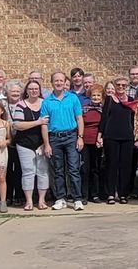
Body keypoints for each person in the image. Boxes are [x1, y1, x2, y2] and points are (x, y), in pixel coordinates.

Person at [40, 72, 85, 211]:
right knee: (58, 170)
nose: (58, 83)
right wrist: (46, 144)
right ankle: (61, 198)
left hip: (71, 136)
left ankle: (77, 199)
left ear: (65, 82)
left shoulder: (72, 98)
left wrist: (80, 137)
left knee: (73, 169)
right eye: (56, 81)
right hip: (54, 138)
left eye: (61, 80)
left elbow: (79, 119)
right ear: (52, 83)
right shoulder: (47, 102)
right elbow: (44, 124)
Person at [13, 80, 50, 210]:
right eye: (31, 89)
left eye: (36, 89)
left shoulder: (46, 103)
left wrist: (45, 144)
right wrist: (38, 122)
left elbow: (50, 123)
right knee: (28, 172)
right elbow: (18, 125)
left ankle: (41, 200)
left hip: (42, 143)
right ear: (26, 91)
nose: (33, 91)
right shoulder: (20, 105)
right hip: (25, 143)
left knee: (43, 171)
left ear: (39, 90)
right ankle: (29, 201)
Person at [99, 77, 137, 204]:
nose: (121, 87)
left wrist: (136, 136)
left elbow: (134, 120)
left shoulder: (131, 101)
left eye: (124, 85)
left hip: (127, 137)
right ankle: (110, 193)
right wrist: (100, 135)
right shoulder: (109, 100)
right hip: (111, 136)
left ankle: (123, 194)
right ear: (115, 86)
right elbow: (104, 118)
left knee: (125, 166)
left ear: (127, 87)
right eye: (118, 85)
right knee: (111, 165)